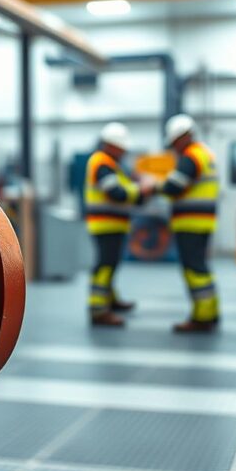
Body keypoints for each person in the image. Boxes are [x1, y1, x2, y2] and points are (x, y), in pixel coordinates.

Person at [84, 123, 153, 327]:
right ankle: (98, 310)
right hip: (105, 225)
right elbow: (117, 193)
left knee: (111, 263)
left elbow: (128, 194)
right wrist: (141, 189)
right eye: (121, 147)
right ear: (110, 145)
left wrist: (139, 190)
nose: (123, 152)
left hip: (114, 224)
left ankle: (110, 300)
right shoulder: (102, 164)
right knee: (105, 265)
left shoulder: (113, 166)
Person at [158, 114, 221, 333]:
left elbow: (173, 187)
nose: (174, 148)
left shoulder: (191, 157)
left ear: (182, 137)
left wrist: (154, 185)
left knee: (194, 269)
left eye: (174, 142)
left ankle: (202, 318)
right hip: (202, 221)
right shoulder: (205, 153)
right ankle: (211, 312)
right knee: (201, 268)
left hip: (191, 223)